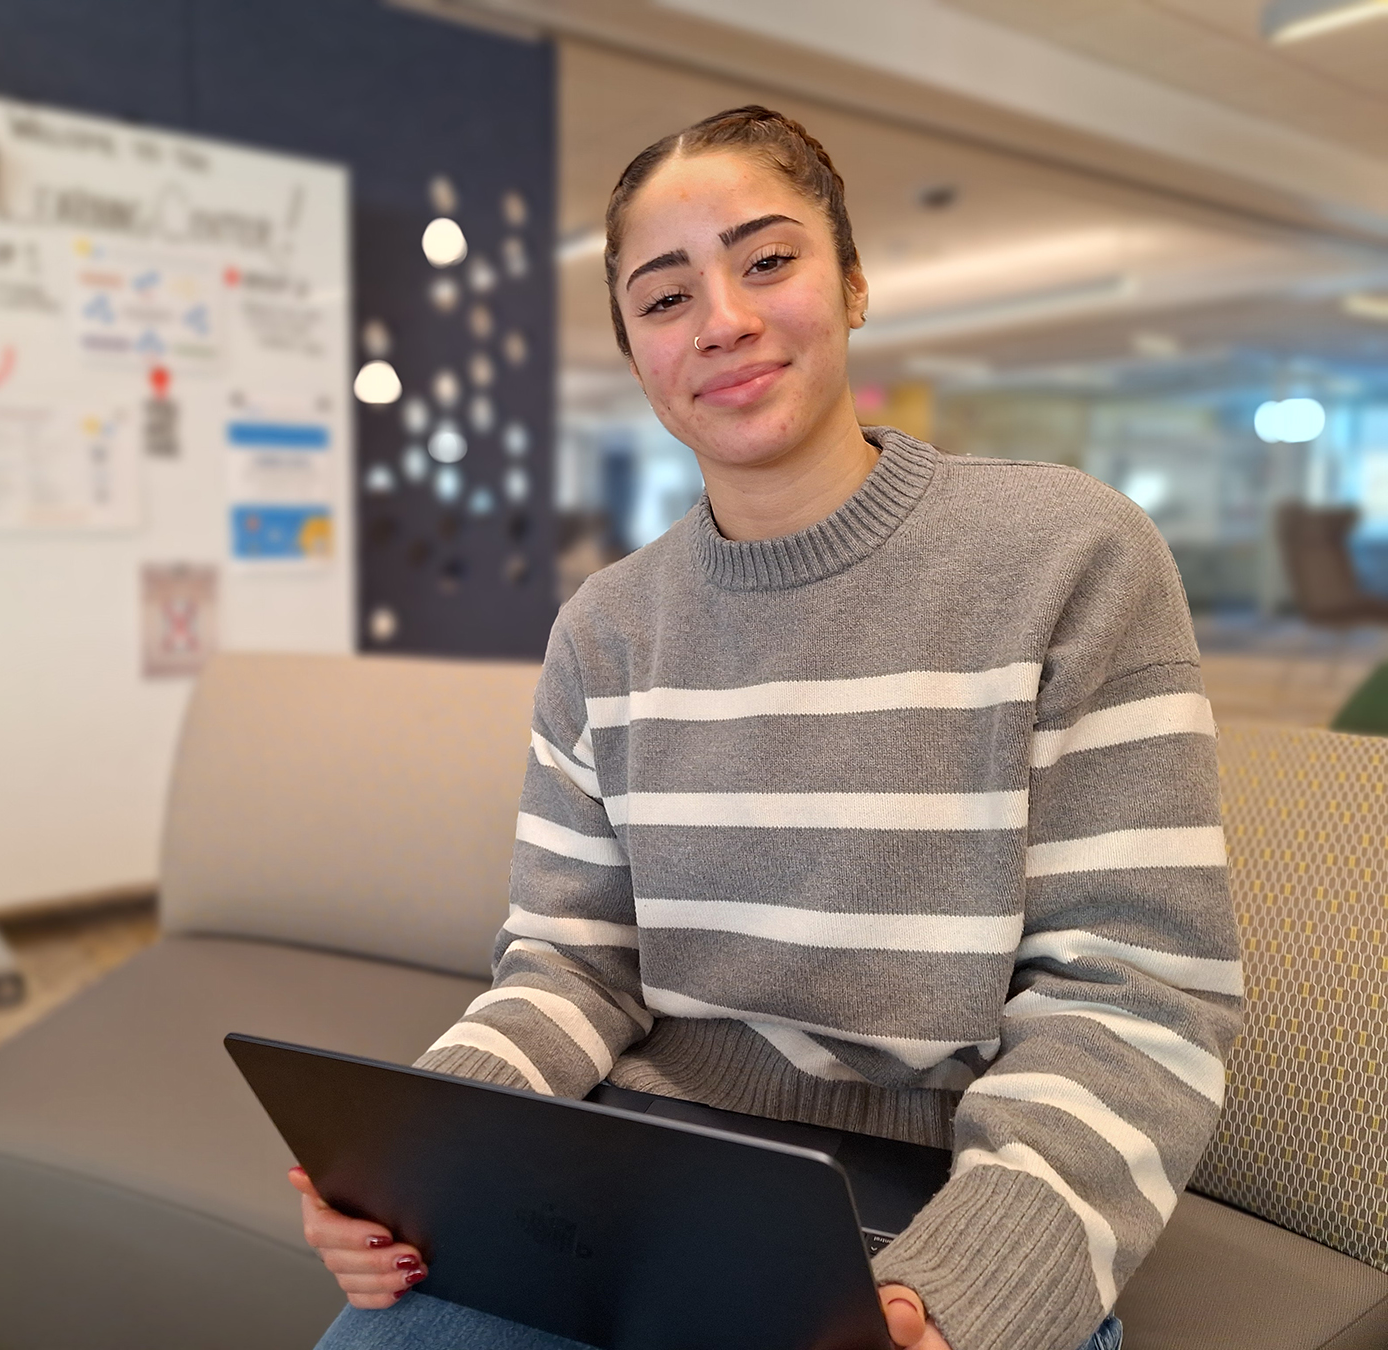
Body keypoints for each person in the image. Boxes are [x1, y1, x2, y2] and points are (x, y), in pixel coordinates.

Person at [292, 106, 1241, 1350]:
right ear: (636, 352)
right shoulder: (606, 628)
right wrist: (422, 1167)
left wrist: (955, 1294)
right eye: (665, 295)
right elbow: (572, 963)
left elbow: (1135, 996)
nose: (724, 320)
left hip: (947, 1196)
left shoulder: (1069, 554)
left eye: (769, 261)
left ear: (851, 284)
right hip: (644, 1169)